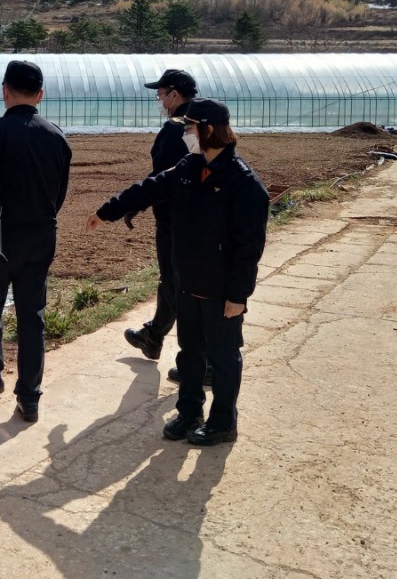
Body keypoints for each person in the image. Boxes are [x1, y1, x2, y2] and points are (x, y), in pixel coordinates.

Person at [86, 98, 269, 446]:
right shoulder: (190, 167)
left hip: (220, 289)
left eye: (190, 127)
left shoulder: (243, 183)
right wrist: (108, 210)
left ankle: (222, 423)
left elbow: (250, 247)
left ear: (209, 130)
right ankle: (189, 412)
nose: (186, 133)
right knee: (189, 352)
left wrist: (239, 295)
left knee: (223, 358)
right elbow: (150, 187)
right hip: (187, 280)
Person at [0, 60, 72, 424]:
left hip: (1, 235)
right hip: (41, 234)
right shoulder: (57, 136)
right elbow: (59, 193)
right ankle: (30, 395)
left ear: (4, 90)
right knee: (32, 314)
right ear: (40, 94)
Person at [123, 68, 198, 377]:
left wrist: (135, 202)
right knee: (180, 281)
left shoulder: (174, 129)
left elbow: (162, 178)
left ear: (174, 95)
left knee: (178, 283)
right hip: (202, 218)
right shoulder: (208, 122)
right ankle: (153, 335)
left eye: (161, 94)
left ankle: (196, 362)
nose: (159, 100)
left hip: (174, 220)